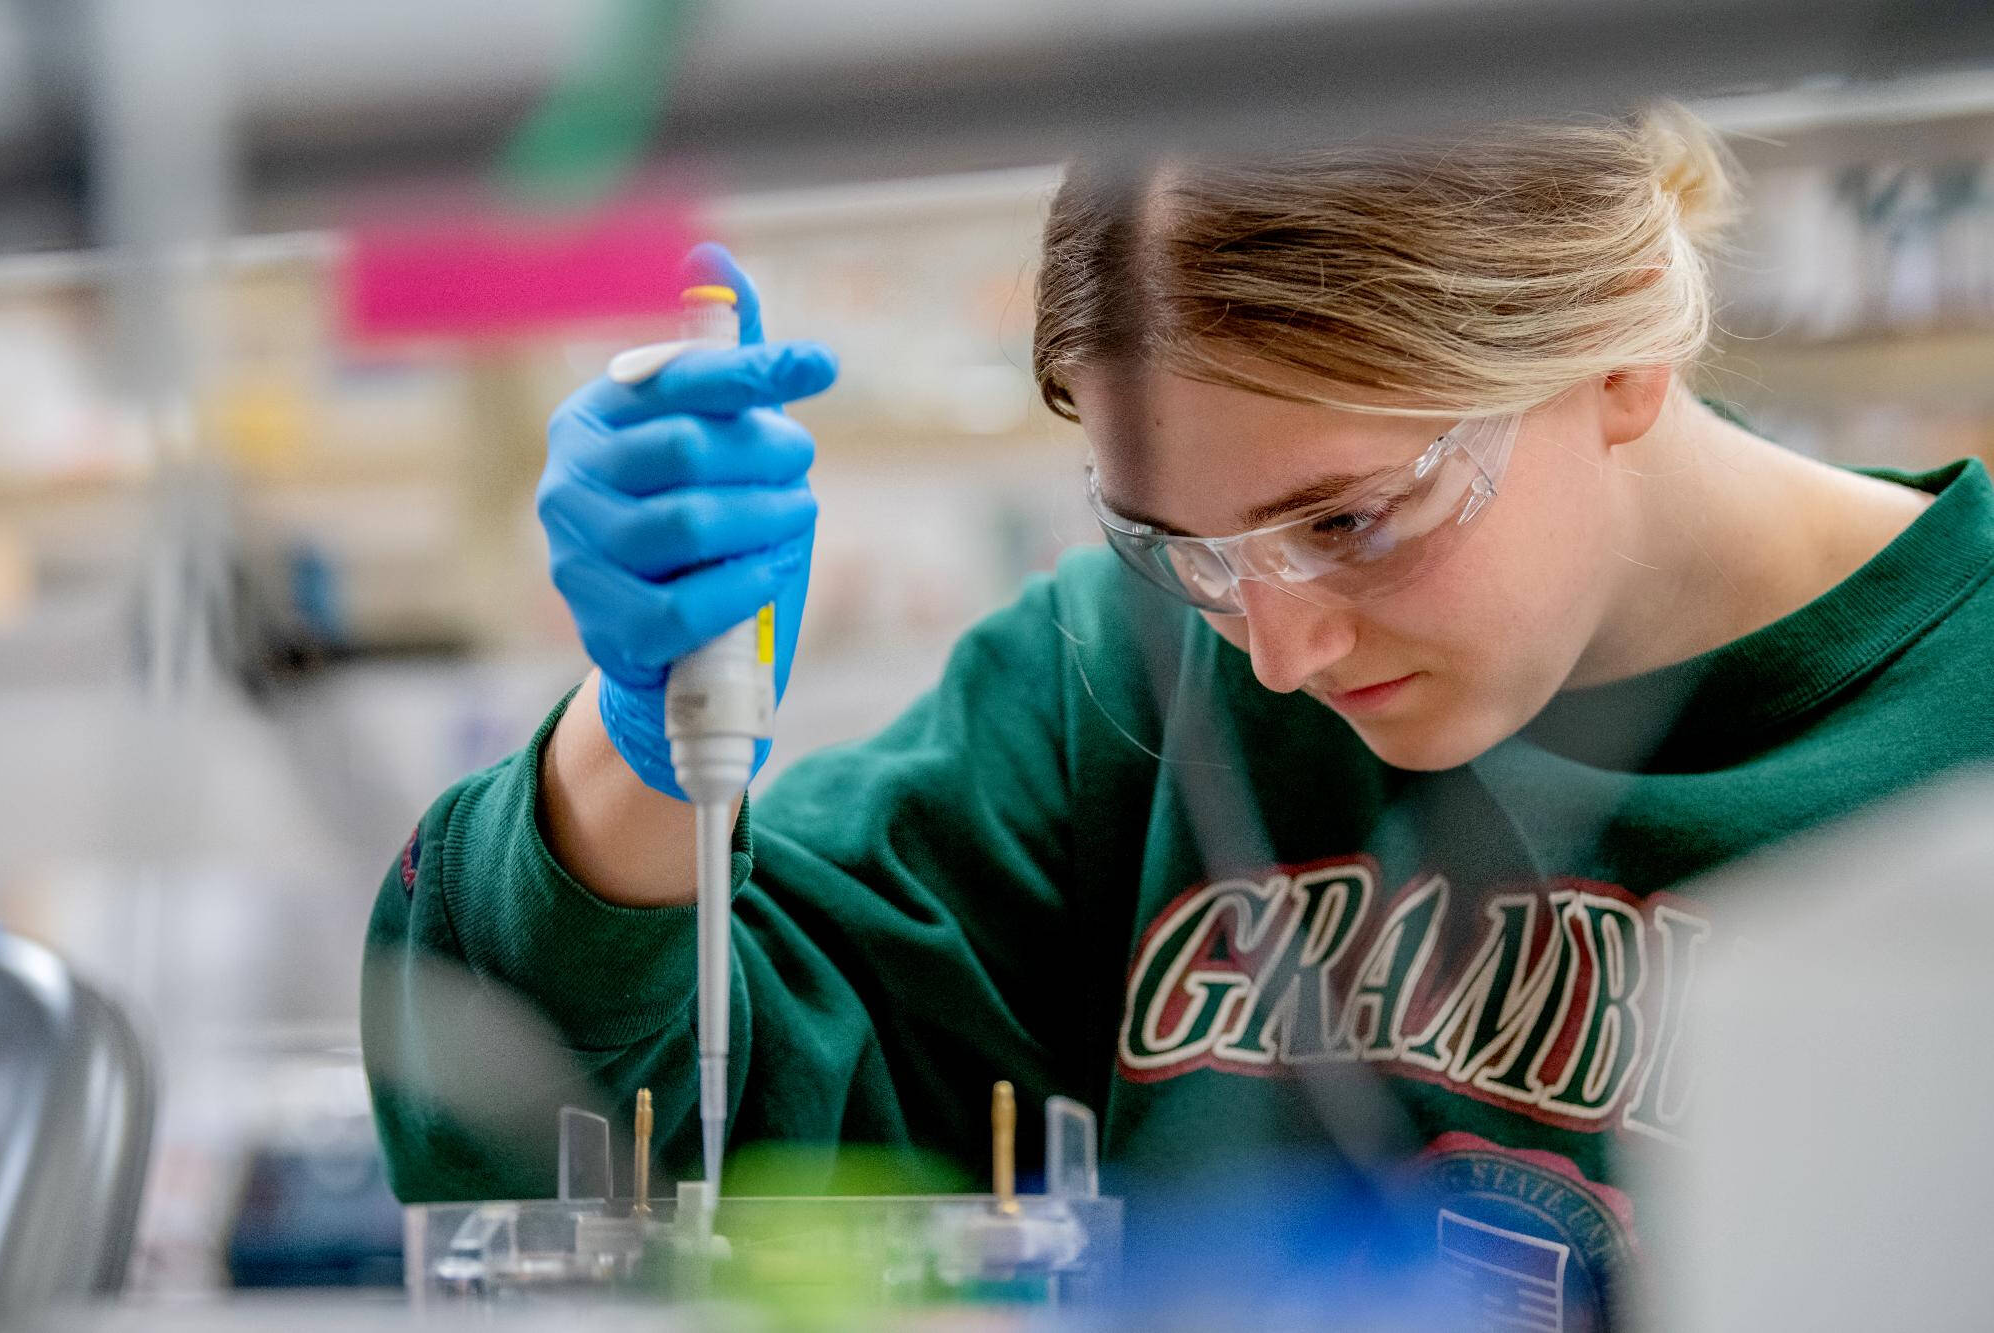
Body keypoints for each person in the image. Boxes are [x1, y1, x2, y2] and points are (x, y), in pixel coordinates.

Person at [363, 104, 1994, 1319]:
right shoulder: (1128, 686)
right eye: (1180, 544)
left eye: (1353, 519)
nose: (1274, 648)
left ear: (1627, 341)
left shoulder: (1961, 712)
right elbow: (563, 1144)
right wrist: (641, 744)